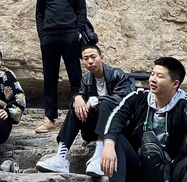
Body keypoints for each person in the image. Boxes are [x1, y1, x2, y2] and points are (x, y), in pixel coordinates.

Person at [36, 44, 133, 175]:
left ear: (102, 57)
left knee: (105, 104)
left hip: (117, 128)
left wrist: (96, 100)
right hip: (93, 129)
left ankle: (99, 156)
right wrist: (78, 97)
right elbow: (80, 95)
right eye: (86, 58)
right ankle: (61, 157)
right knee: (75, 107)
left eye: (93, 57)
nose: (90, 61)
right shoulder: (86, 79)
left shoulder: (118, 75)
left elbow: (124, 100)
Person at [34, 0, 89, 133]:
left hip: (69, 35)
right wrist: (42, 35)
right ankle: (50, 119)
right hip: (49, 37)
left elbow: (81, 10)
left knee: (75, 76)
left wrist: (78, 32)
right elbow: (39, 13)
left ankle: (79, 116)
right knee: (49, 78)